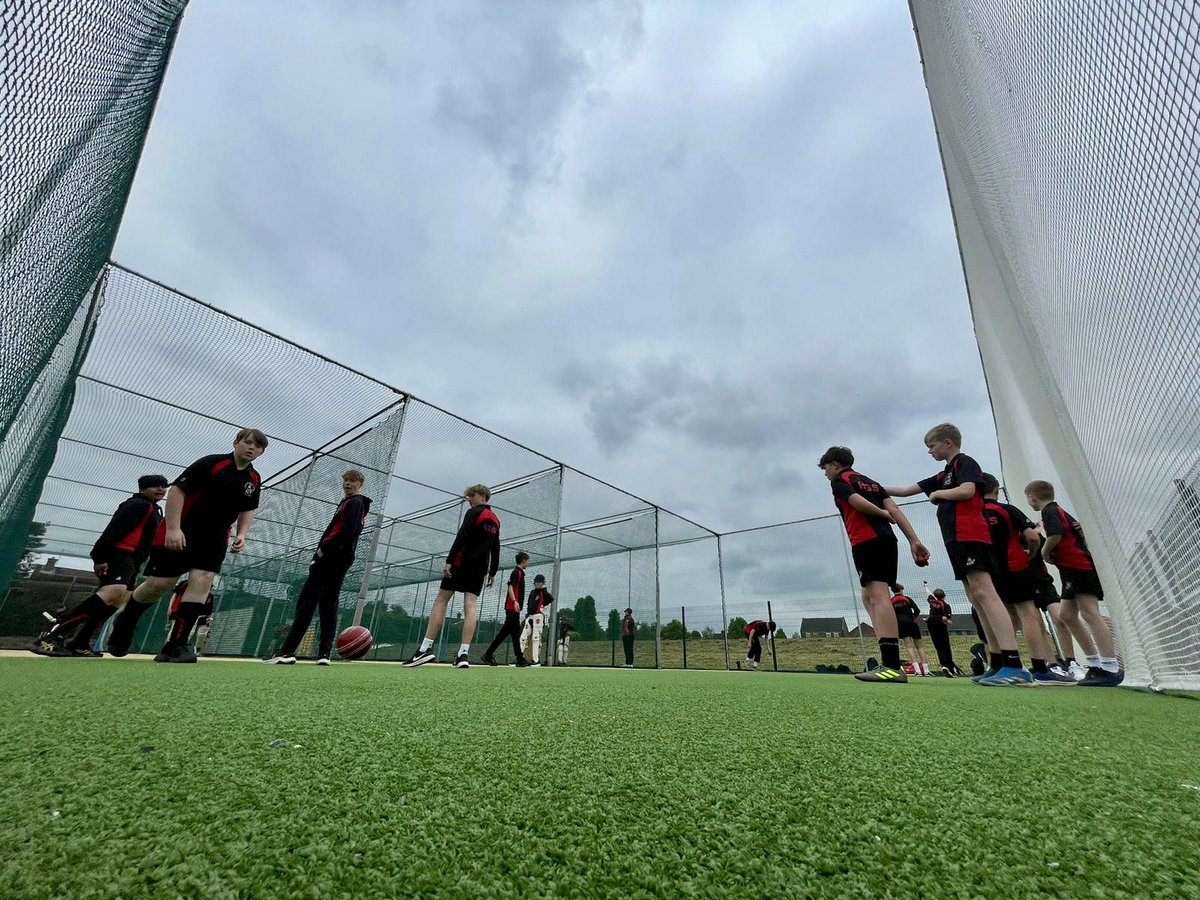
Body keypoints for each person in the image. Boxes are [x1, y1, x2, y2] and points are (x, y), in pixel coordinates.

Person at [885, 423, 1032, 686]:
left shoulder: (965, 463)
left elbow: (968, 490)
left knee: (985, 593)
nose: (930, 451)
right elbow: (907, 490)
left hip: (971, 536)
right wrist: (874, 489)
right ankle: (996, 661)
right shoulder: (944, 474)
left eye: (932, 446)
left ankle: (1014, 664)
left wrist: (939, 495)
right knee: (975, 597)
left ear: (948, 443)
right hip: (956, 541)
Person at [105, 429, 266, 663]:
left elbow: (248, 508)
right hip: (184, 529)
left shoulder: (253, 479)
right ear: (236, 442)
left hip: (215, 537)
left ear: (261, 452)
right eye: (247, 442)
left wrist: (242, 533)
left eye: (258, 446)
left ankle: (176, 645)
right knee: (160, 584)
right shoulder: (211, 463)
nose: (251, 448)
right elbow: (178, 490)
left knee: (202, 581)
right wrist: (173, 528)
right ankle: (126, 618)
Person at [819, 446, 931, 684]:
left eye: (826, 467)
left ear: (836, 464)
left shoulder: (840, 481)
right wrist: (914, 540)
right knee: (869, 596)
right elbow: (896, 510)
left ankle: (891, 665)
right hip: (886, 541)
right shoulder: (872, 482)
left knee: (879, 596)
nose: (825, 473)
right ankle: (886, 659)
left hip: (867, 541)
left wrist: (881, 515)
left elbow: (859, 503)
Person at [29, 474, 168, 657]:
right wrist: (100, 557)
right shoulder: (137, 505)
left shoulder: (154, 510)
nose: (161, 489)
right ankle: (53, 636)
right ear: (142, 489)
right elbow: (114, 530)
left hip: (134, 560)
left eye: (163, 486)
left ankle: (80, 642)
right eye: (155, 486)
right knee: (111, 594)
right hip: (120, 554)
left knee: (117, 600)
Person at [266, 471, 372, 665]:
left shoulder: (355, 503)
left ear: (360, 484)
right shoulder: (348, 503)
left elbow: (348, 530)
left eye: (352, 481)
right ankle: (324, 653)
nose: (347, 484)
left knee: (308, 600)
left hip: (334, 556)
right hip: (342, 556)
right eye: (345, 481)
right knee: (328, 603)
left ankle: (288, 650)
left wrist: (324, 547)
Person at [1024, 480, 1122, 686]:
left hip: (1079, 568)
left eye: (1028, 498)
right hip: (1070, 571)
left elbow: (1056, 535)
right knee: (1067, 615)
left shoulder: (1050, 511)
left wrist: (1044, 551)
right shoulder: (1059, 512)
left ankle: (1111, 667)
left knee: (1089, 613)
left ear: (1032, 498)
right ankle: (1094, 664)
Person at [980, 474, 1074, 684]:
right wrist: (1032, 553)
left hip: (991, 572)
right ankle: (1041, 668)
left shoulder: (974, 512)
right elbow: (1032, 536)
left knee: (1003, 617)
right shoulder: (1007, 509)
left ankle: (1005, 664)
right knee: (1029, 615)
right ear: (996, 490)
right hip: (1016, 567)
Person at [403, 484, 500, 669]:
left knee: (441, 600)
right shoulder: (495, 519)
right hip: (480, 568)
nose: (469, 500)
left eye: (470, 496)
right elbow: (496, 547)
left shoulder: (474, 513)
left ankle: (424, 650)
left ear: (480, 495)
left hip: (461, 563)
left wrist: (449, 560)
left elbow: (462, 537)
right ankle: (463, 655)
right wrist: (493, 571)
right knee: (470, 605)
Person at [1031, 529, 1091, 680]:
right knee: (1037, 626)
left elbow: (1049, 549)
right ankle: (1053, 665)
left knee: (1060, 618)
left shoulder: (1031, 533)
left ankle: (1072, 662)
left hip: (1044, 582)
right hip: (1024, 584)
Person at [482, 552, 530, 667]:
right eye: (527, 560)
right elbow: (510, 586)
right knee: (509, 633)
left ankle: (518, 658)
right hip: (511, 608)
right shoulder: (517, 572)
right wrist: (514, 601)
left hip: (514, 609)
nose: (528, 563)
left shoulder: (520, 573)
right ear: (523, 560)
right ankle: (489, 654)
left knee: (512, 634)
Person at [890, 585, 930, 676]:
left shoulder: (891, 601)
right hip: (912, 623)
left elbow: (891, 614)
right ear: (901, 590)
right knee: (919, 646)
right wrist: (912, 617)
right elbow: (917, 610)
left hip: (901, 624)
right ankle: (926, 669)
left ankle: (917, 670)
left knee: (909, 646)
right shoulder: (907, 599)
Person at [922, 583, 961, 676]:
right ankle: (950, 667)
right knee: (946, 646)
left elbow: (928, 594)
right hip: (940, 625)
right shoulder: (946, 605)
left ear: (935, 596)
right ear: (944, 596)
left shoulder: (932, 601)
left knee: (938, 646)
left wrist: (926, 586)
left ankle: (944, 665)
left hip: (931, 625)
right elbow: (945, 618)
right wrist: (949, 621)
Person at [519, 574, 555, 666]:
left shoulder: (543, 592)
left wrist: (543, 604)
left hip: (538, 616)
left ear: (542, 583)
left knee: (536, 638)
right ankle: (520, 658)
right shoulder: (532, 592)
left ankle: (535, 660)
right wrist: (527, 613)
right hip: (530, 616)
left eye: (539, 582)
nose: (537, 583)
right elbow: (529, 603)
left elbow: (551, 599)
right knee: (523, 637)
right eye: (536, 582)